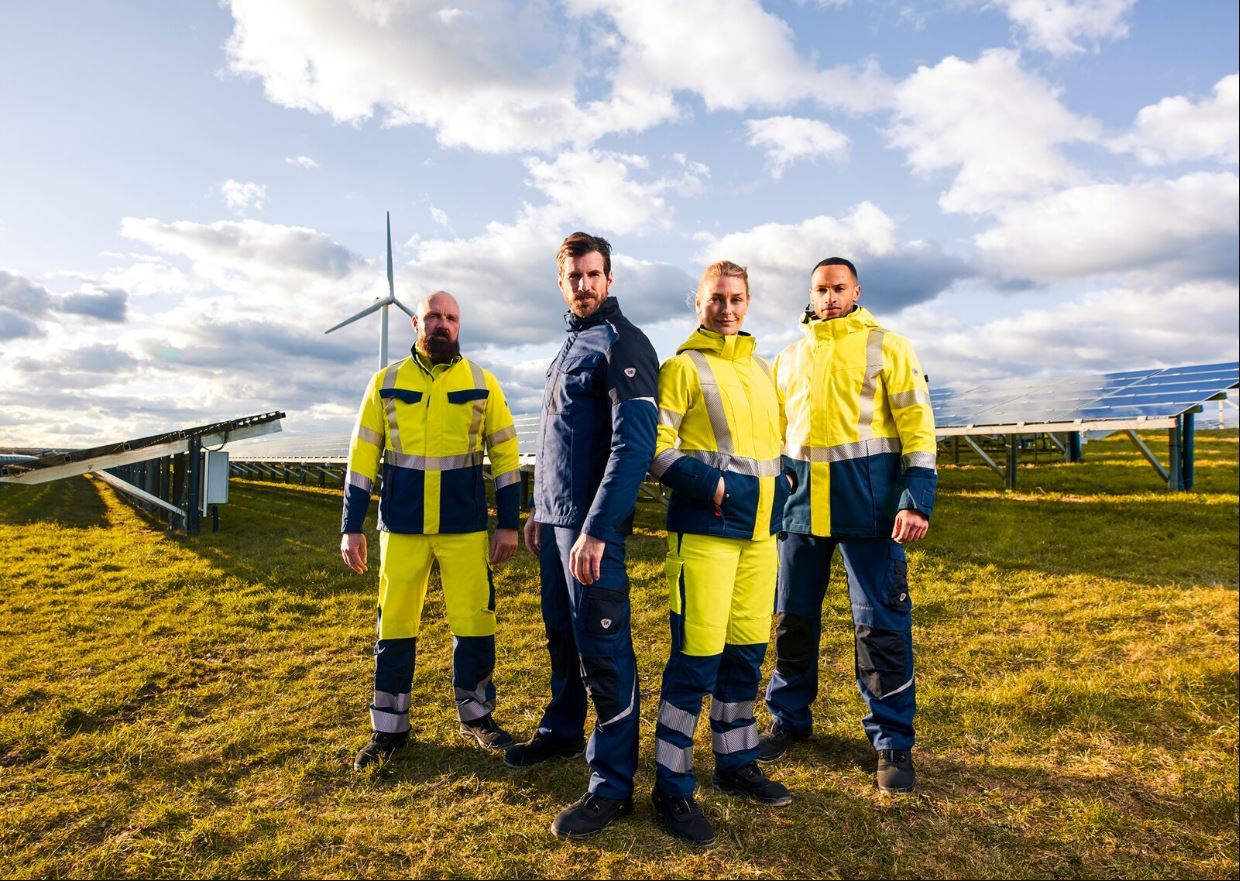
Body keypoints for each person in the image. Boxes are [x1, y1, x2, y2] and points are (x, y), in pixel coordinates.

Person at [759, 257, 937, 794]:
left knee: (879, 625)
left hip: (871, 510)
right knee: (791, 619)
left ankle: (891, 743)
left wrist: (916, 500)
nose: (829, 296)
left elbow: (918, 427)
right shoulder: (787, 359)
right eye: (821, 289)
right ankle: (788, 719)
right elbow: (777, 437)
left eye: (839, 287)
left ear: (856, 290)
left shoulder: (889, 345)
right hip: (800, 511)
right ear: (810, 294)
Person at [505, 231, 659, 840]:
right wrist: (541, 509)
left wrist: (595, 528)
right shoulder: (570, 347)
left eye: (594, 275)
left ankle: (612, 785)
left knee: (605, 652)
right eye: (575, 277)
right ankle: (565, 730)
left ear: (610, 279)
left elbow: (632, 446)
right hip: (556, 523)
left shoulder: (623, 344)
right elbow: (557, 440)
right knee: (561, 635)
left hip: (594, 531)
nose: (585, 285)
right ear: (561, 282)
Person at [646, 261, 796, 847]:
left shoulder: (763, 370)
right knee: (695, 662)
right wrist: (712, 487)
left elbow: (777, 444)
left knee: (744, 658)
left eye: (736, 299)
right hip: (705, 538)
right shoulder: (681, 368)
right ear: (698, 301)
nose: (726, 309)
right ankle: (672, 785)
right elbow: (656, 451)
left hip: (761, 540)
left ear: (749, 301)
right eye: (716, 299)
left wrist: (782, 484)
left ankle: (736, 763)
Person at [340, 290, 522, 771]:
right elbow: (361, 459)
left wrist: (508, 524)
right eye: (433, 317)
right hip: (401, 526)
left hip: (463, 526)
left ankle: (478, 716)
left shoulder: (483, 383)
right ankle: (389, 728)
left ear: (459, 326)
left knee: (475, 623)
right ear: (415, 324)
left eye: (451, 317)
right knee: (395, 625)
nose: (442, 324)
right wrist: (350, 526)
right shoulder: (385, 382)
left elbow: (505, 459)